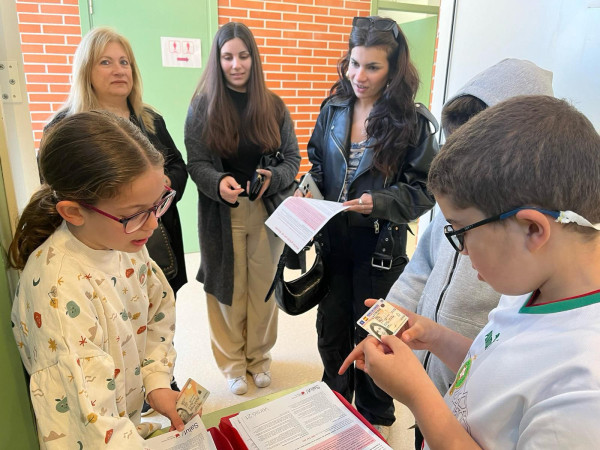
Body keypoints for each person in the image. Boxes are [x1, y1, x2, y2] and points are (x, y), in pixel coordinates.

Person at [341, 95, 600, 448]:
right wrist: (434, 335)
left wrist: (418, 395)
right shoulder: (537, 282)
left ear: (533, 230)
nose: (461, 251)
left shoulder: (585, 388)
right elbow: (499, 370)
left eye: (461, 231)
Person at [384, 58, 553, 448]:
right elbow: (420, 268)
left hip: (469, 408)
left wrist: (417, 394)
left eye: (465, 232)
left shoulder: (532, 281)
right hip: (444, 381)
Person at [10, 111, 185, 448]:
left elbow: (156, 311)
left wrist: (156, 380)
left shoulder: (123, 239)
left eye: (157, 205)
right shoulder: (58, 291)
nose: (151, 226)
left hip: (126, 423)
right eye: (134, 214)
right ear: (73, 212)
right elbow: (88, 421)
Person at [300, 15, 439, 435]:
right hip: (334, 240)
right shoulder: (334, 107)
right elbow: (320, 164)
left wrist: (377, 202)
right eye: (353, 64)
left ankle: (376, 420)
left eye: (372, 67)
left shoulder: (412, 122)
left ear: (393, 69)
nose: (358, 76)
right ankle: (335, 405)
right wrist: (305, 192)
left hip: (380, 248)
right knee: (332, 330)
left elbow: (424, 191)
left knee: (377, 340)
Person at [184, 22, 300, 395]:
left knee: (263, 290)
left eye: (243, 56)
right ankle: (233, 364)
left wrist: (275, 177)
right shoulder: (202, 106)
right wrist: (218, 183)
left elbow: (293, 160)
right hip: (223, 215)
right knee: (226, 292)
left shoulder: (274, 105)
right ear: (217, 61)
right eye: (228, 56)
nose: (236, 64)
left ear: (254, 58)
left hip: (267, 213)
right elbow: (196, 163)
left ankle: (259, 359)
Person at [45, 27, 188, 297]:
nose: (119, 70)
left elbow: (179, 167)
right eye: (106, 62)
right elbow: (53, 193)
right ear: (86, 71)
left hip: (157, 243)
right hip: (98, 255)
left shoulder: (151, 120)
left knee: (158, 315)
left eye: (125, 62)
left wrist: (159, 185)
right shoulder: (64, 127)